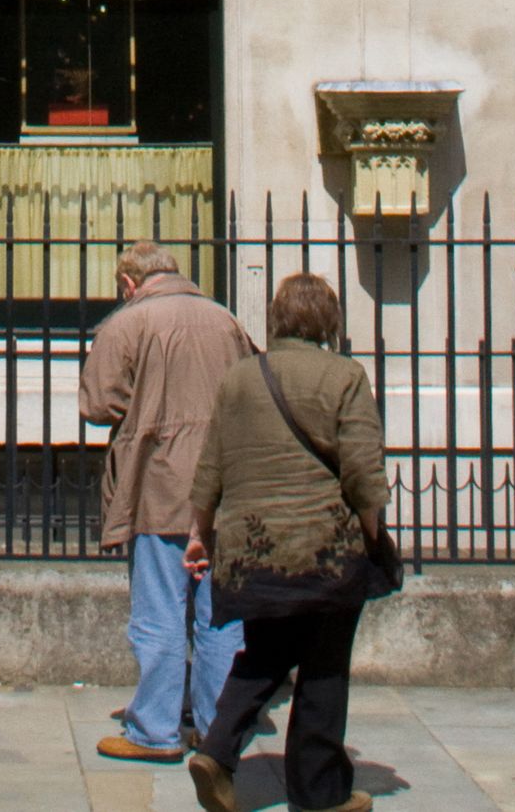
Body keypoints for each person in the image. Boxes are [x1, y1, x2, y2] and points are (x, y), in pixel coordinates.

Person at [183, 271, 391, 812]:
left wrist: (198, 534)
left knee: (264, 655)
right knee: (323, 670)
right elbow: (363, 472)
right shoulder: (345, 376)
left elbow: (211, 467)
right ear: (329, 322)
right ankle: (317, 792)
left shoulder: (239, 378)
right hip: (326, 549)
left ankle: (217, 751)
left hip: (254, 549)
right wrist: (374, 534)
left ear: (276, 319)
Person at [78, 240, 252, 766]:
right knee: (219, 616)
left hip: (159, 483)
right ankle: (216, 727)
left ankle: (154, 728)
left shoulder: (127, 323)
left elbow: (97, 402)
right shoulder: (226, 320)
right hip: (225, 484)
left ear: (129, 284)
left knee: (159, 609)